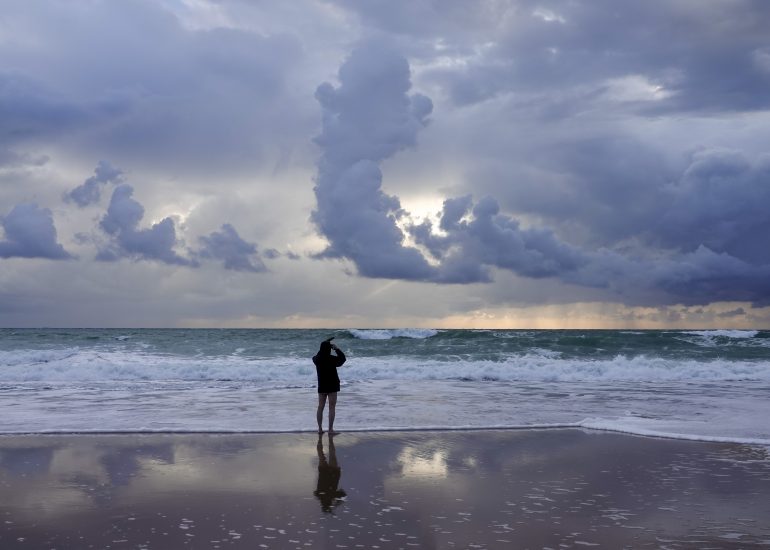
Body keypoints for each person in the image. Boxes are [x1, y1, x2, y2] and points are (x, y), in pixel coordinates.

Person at [313, 337, 346, 434]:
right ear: (329, 349)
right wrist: (336, 349)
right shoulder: (332, 359)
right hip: (332, 385)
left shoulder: (317, 359)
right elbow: (343, 359)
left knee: (320, 407)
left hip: (322, 385)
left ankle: (320, 429)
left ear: (320, 349)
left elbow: (316, 355)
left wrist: (324, 344)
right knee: (332, 407)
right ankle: (330, 430)